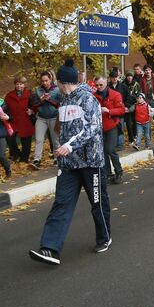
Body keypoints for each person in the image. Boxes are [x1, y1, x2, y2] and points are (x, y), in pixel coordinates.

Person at [29, 59, 111, 266]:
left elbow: (92, 128)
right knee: (61, 204)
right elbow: (64, 131)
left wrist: (71, 145)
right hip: (68, 165)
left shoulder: (88, 99)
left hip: (90, 162)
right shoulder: (64, 101)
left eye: (57, 81)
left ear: (64, 82)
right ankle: (50, 248)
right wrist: (62, 151)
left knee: (97, 203)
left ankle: (104, 237)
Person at [93, 76, 126, 184]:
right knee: (102, 151)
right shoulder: (93, 96)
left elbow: (121, 110)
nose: (99, 87)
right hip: (99, 127)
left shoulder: (115, 94)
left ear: (106, 83)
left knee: (110, 149)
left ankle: (119, 172)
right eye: (97, 85)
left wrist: (109, 111)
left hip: (111, 125)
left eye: (101, 85)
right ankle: (108, 174)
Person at [29, 71, 62, 169]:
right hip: (41, 117)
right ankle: (37, 160)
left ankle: (57, 157)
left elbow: (60, 104)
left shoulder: (57, 90)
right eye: (43, 81)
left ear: (50, 80)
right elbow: (34, 105)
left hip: (54, 117)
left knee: (55, 139)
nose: (45, 83)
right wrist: (41, 100)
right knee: (39, 139)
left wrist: (50, 100)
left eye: (46, 80)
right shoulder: (38, 90)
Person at [4, 76, 35, 163]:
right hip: (13, 121)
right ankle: (16, 154)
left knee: (26, 142)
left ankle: (24, 159)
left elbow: (35, 105)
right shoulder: (9, 95)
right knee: (9, 138)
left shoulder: (30, 94)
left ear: (24, 85)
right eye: (17, 84)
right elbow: (5, 107)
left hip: (26, 121)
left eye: (21, 84)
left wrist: (32, 110)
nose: (19, 86)